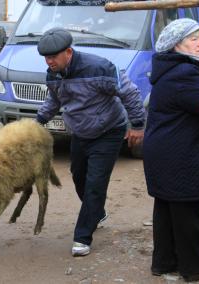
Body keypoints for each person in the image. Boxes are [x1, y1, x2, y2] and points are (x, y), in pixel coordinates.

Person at [36, 28, 146, 257]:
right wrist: (37, 122)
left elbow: (130, 93)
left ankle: (82, 237)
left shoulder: (99, 68)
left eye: (53, 57)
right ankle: (96, 211)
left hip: (109, 130)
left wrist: (136, 124)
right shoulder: (53, 74)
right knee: (78, 177)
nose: (49, 62)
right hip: (81, 132)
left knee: (95, 182)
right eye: (46, 58)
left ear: (68, 52)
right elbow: (54, 100)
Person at [143, 18, 199, 282]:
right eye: (193, 39)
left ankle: (164, 262)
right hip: (180, 154)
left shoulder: (169, 69)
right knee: (187, 209)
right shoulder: (184, 73)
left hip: (165, 150)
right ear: (177, 45)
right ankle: (195, 267)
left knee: (167, 207)